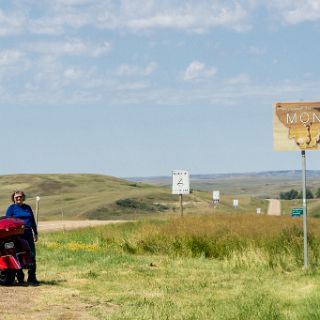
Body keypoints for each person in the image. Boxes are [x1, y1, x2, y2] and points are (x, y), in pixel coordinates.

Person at [5, 190, 39, 285]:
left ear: (23, 197)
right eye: (17, 197)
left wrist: (35, 232)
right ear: (14, 198)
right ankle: (20, 277)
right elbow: (7, 222)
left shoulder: (27, 207)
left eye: (20, 196)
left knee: (31, 254)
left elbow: (32, 220)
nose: (19, 198)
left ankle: (32, 277)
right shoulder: (11, 208)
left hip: (28, 234)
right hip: (17, 235)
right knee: (18, 255)